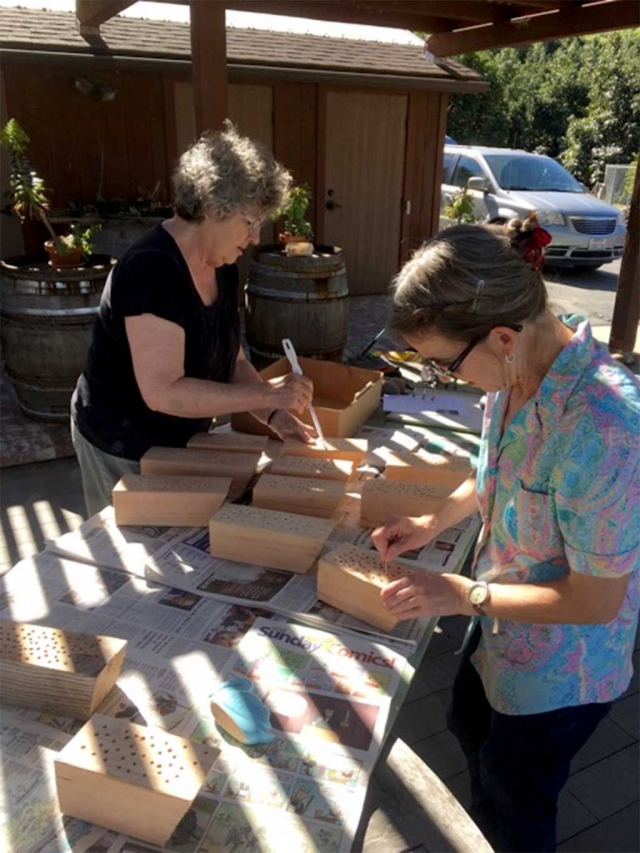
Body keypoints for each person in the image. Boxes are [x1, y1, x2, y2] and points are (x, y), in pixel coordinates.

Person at [372, 216, 639, 853]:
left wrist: (464, 595)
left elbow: (596, 602)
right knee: (468, 726)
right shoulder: (515, 373)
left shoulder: (606, 428)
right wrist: (428, 523)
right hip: (499, 622)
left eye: (444, 367)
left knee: (519, 799)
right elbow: (492, 472)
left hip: (562, 670)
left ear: (500, 336)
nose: (447, 381)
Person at [71, 123, 315, 516]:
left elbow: (233, 362)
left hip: (180, 434)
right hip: (121, 439)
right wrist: (267, 393)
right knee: (132, 548)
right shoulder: (151, 270)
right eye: (250, 222)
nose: (255, 237)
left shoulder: (222, 264)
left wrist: (275, 414)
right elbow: (163, 391)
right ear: (214, 206)